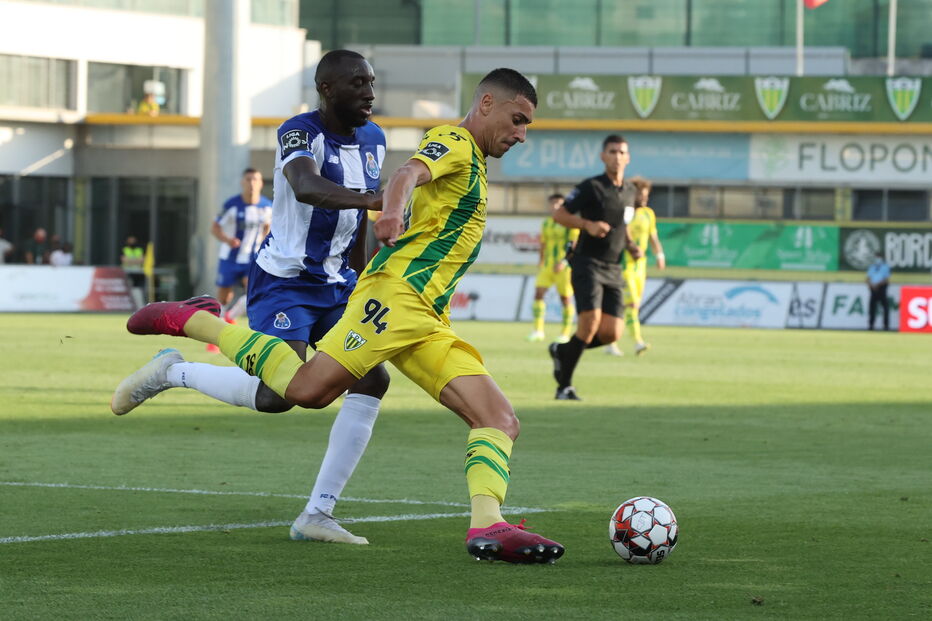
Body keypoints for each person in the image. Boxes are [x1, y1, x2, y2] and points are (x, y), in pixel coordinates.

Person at [116, 67, 564, 564]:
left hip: (427, 316)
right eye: (518, 119)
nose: (521, 134)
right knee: (304, 391)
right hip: (394, 301)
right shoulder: (454, 140)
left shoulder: (469, 161)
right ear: (486, 104)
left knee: (498, 418)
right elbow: (406, 174)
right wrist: (390, 213)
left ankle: (488, 526)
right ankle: (196, 322)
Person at [112, 50, 392, 545]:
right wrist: (374, 199)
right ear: (326, 89)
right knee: (279, 396)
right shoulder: (297, 132)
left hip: (339, 285)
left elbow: (362, 223)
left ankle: (317, 513)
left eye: (372, 83)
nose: (370, 93)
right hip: (284, 281)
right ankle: (172, 370)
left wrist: (367, 277)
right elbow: (306, 186)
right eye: (357, 83)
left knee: (373, 379)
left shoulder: (374, 139)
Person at [547, 135, 642, 401]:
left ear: (628, 157)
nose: (617, 156)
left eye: (622, 152)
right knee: (589, 325)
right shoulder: (591, 187)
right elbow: (560, 214)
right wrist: (587, 225)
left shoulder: (631, 192)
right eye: (612, 152)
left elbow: (625, 225)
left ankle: (562, 352)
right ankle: (564, 386)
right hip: (587, 262)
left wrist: (632, 245)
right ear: (603, 156)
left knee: (612, 333)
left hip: (613, 266)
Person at [606, 176, 665, 356]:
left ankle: (610, 342)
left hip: (641, 266)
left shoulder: (648, 213)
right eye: (641, 195)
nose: (644, 199)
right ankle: (638, 342)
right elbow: (618, 233)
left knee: (629, 306)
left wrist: (659, 255)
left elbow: (653, 237)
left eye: (646, 195)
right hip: (624, 264)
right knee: (631, 305)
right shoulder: (626, 212)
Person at [211, 168, 272, 318]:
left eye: (255, 179)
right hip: (230, 257)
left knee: (254, 292)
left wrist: (265, 240)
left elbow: (268, 227)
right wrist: (227, 240)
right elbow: (215, 227)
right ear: (242, 182)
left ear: (261, 183)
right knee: (224, 297)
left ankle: (230, 318)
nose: (252, 183)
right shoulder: (231, 204)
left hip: (253, 258)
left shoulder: (267, 206)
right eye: (248, 179)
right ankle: (220, 323)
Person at [527, 193, 578, 344]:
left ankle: (565, 333)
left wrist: (564, 261)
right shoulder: (547, 223)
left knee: (565, 299)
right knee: (538, 294)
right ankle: (538, 331)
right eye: (553, 203)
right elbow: (543, 243)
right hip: (548, 266)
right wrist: (541, 260)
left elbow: (573, 245)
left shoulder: (570, 223)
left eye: (559, 203)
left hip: (564, 266)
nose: (555, 206)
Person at [866, 250, 891, 331]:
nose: (877, 259)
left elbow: (886, 280)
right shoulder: (872, 267)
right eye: (876, 257)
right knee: (872, 308)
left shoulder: (885, 267)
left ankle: (885, 325)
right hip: (873, 289)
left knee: (885, 308)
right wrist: (871, 285)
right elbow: (868, 278)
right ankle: (871, 325)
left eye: (878, 257)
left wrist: (877, 285)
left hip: (881, 288)